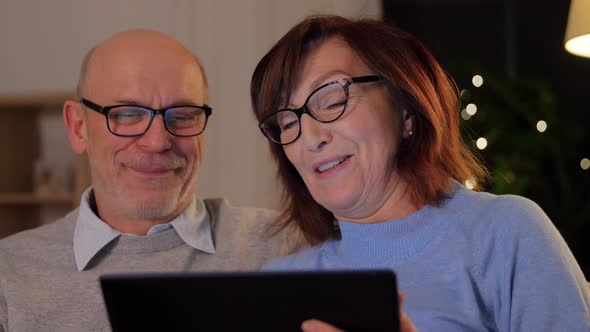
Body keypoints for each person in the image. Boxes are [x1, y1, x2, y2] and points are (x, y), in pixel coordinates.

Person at [250, 15, 590, 331]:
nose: (309, 138)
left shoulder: (505, 233)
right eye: (286, 121)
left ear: (406, 110)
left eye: (331, 98)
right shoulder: (279, 284)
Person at [0, 29, 303, 331]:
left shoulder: (284, 245)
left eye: (183, 115)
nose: (158, 141)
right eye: (128, 114)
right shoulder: (8, 274)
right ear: (79, 127)